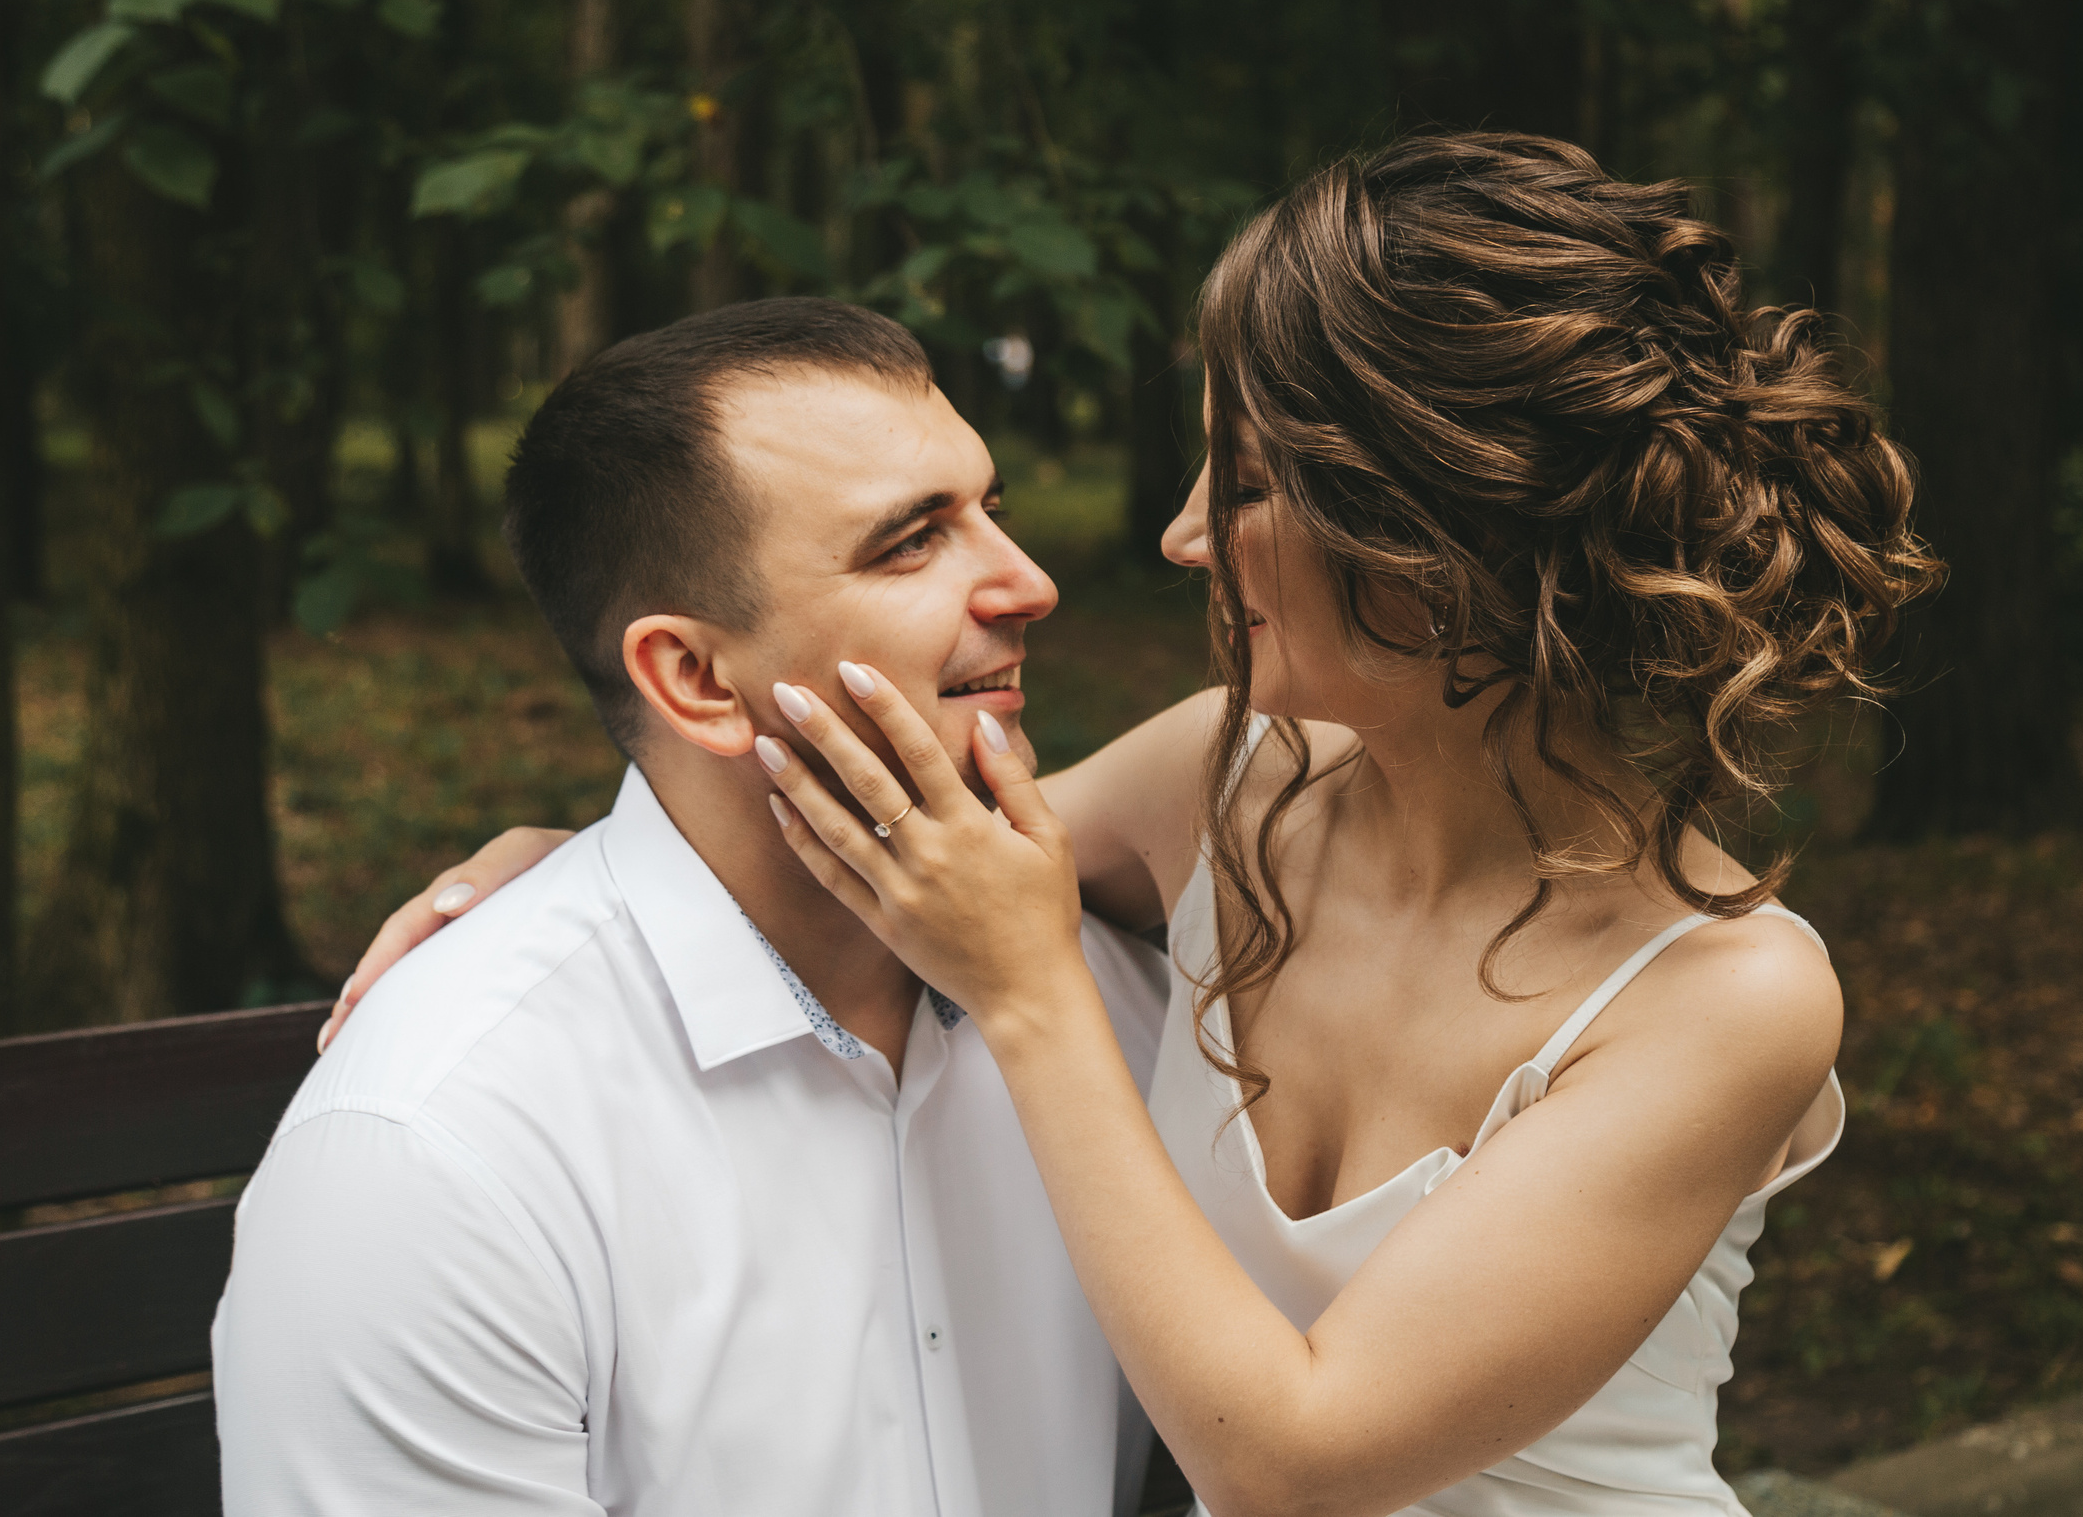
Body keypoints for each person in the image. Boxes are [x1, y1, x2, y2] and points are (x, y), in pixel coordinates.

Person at [344, 134, 1943, 1517]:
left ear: (1442, 537)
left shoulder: (1725, 995)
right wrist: (584, 863)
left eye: (1246, 484)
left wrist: (1040, 994)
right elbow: (874, 860)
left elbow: (1296, 1465)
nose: (1183, 533)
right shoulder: (1225, 775)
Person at [212, 298, 1171, 1516]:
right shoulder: (435, 1160)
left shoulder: (1117, 1005)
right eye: (912, 541)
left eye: (995, 511)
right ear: (697, 680)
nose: (1027, 584)